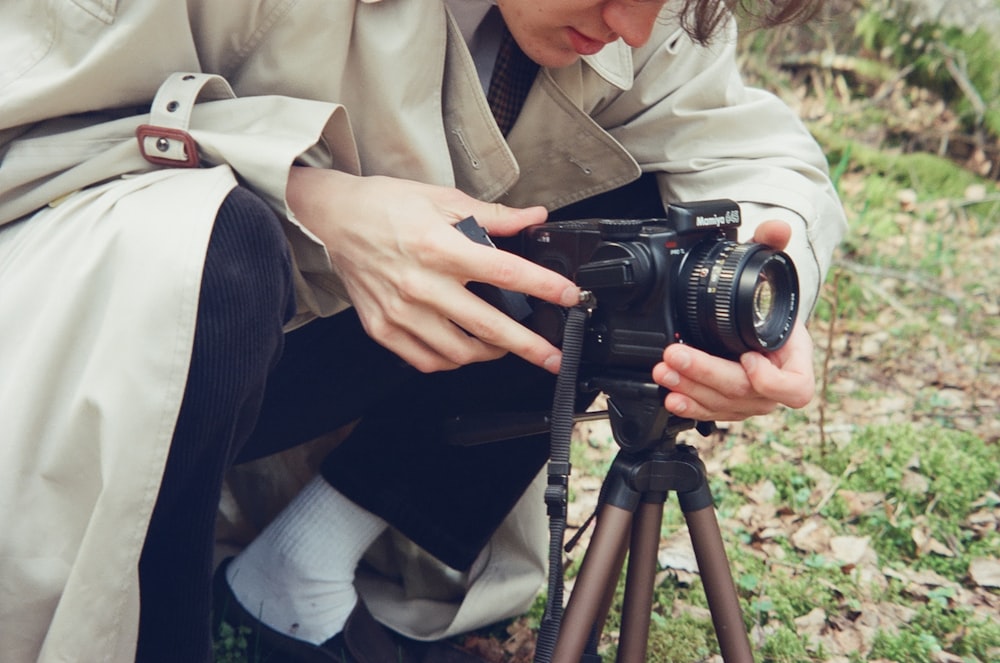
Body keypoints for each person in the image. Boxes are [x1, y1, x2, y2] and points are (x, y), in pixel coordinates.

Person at [0, 0, 847, 661]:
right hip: (114, 349)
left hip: (327, 365)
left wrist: (771, 291)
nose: (628, 27)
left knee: (642, 240)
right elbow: (31, 137)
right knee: (223, 253)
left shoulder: (651, 20)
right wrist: (315, 200)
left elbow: (754, 154)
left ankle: (304, 560)